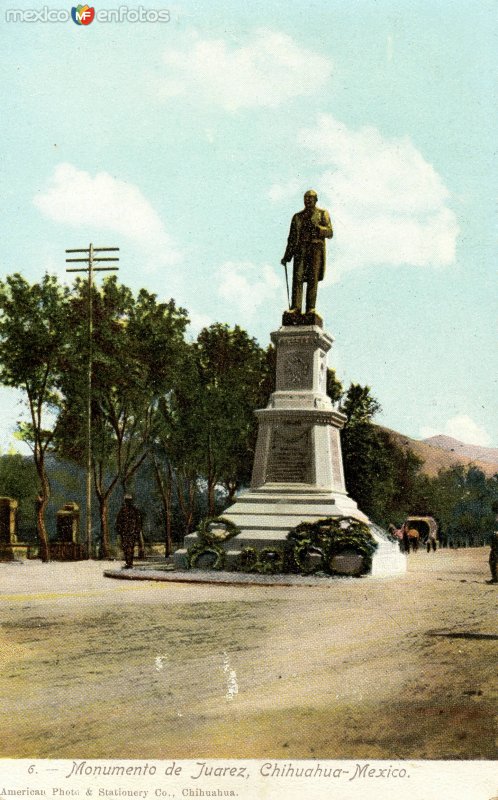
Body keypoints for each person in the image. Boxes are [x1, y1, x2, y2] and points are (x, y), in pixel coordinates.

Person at [281, 190, 333, 315]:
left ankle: (310, 308)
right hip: (300, 249)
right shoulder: (297, 217)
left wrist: (319, 229)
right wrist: (287, 256)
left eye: (310, 198)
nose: (308, 200)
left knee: (312, 278)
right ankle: (296, 308)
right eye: (306, 198)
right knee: (297, 278)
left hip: (315, 249)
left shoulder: (322, 214)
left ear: (316, 200)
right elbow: (292, 238)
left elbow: (330, 232)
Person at [115, 494, 142, 569]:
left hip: (127, 533)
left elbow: (118, 522)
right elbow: (119, 522)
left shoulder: (124, 510)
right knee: (129, 548)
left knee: (128, 548)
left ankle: (129, 563)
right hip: (129, 533)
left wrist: (120, 530)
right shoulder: (132, 510)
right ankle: (129, 563)